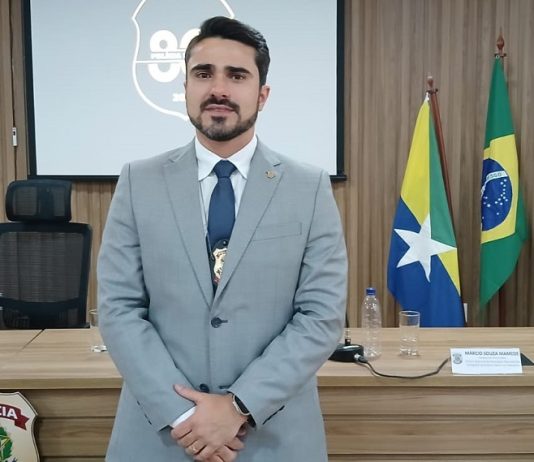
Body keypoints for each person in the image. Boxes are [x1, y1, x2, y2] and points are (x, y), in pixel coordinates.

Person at [98, 16, 347, 462]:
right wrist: (183, 415)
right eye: (203, 74)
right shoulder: (138, 182)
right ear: (185, 88)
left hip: (272, 436)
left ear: (262, 94)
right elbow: (119, 309)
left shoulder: (308, 188)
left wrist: (237, 406)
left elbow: (321, 316)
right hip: (162, 435)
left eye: (237, 75)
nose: (218, 89)